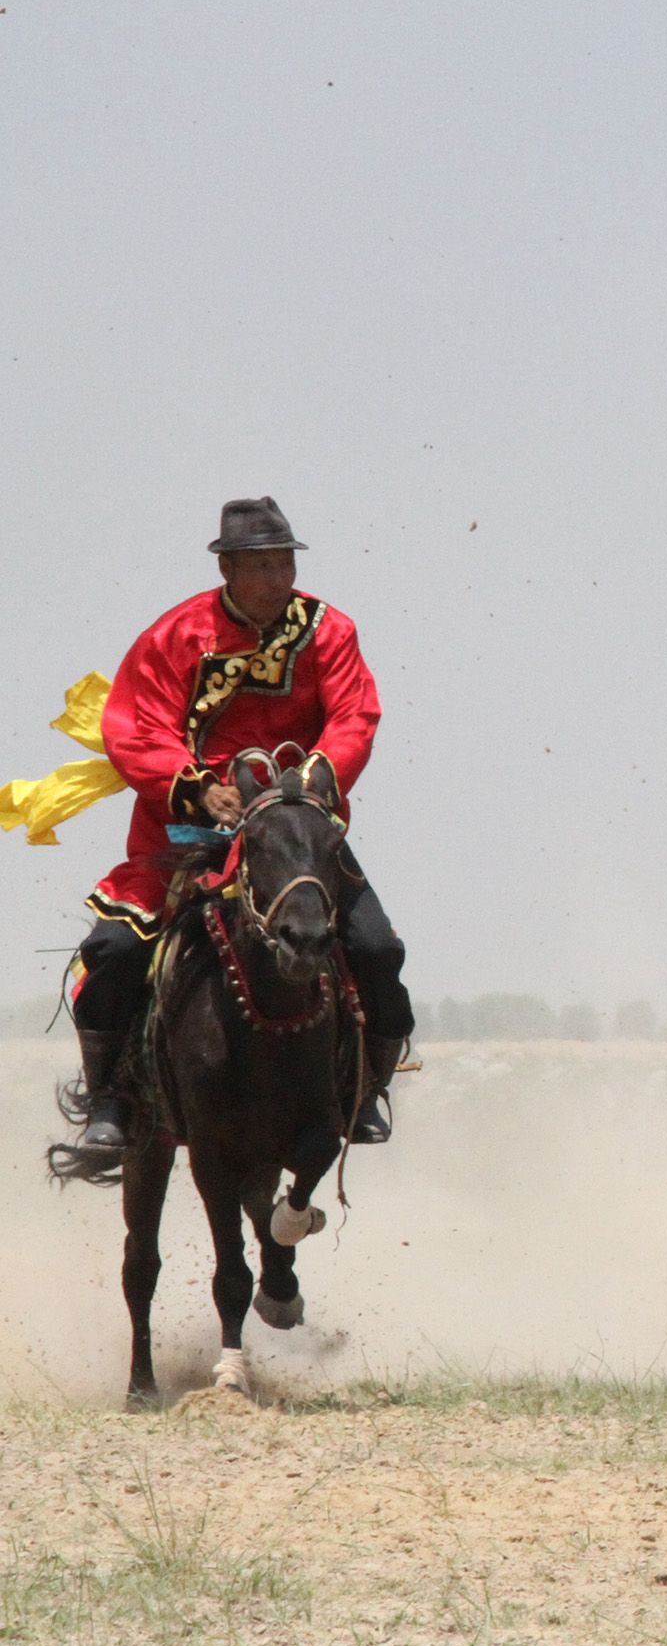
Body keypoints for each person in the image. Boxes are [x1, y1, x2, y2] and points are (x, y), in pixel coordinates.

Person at [63, 497, 415, 1166]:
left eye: (285, 561)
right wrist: (198, 784)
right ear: (227, 567)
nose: (279, 577)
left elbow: (355, 715)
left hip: (295, 831)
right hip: (192, 830)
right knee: (112, 951)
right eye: (261, 565)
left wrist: (314, 778)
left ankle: (365, 1087)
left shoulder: (328, 631)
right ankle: (111, 1097)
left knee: (373, 946)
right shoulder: (176, 635)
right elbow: (136, 725)